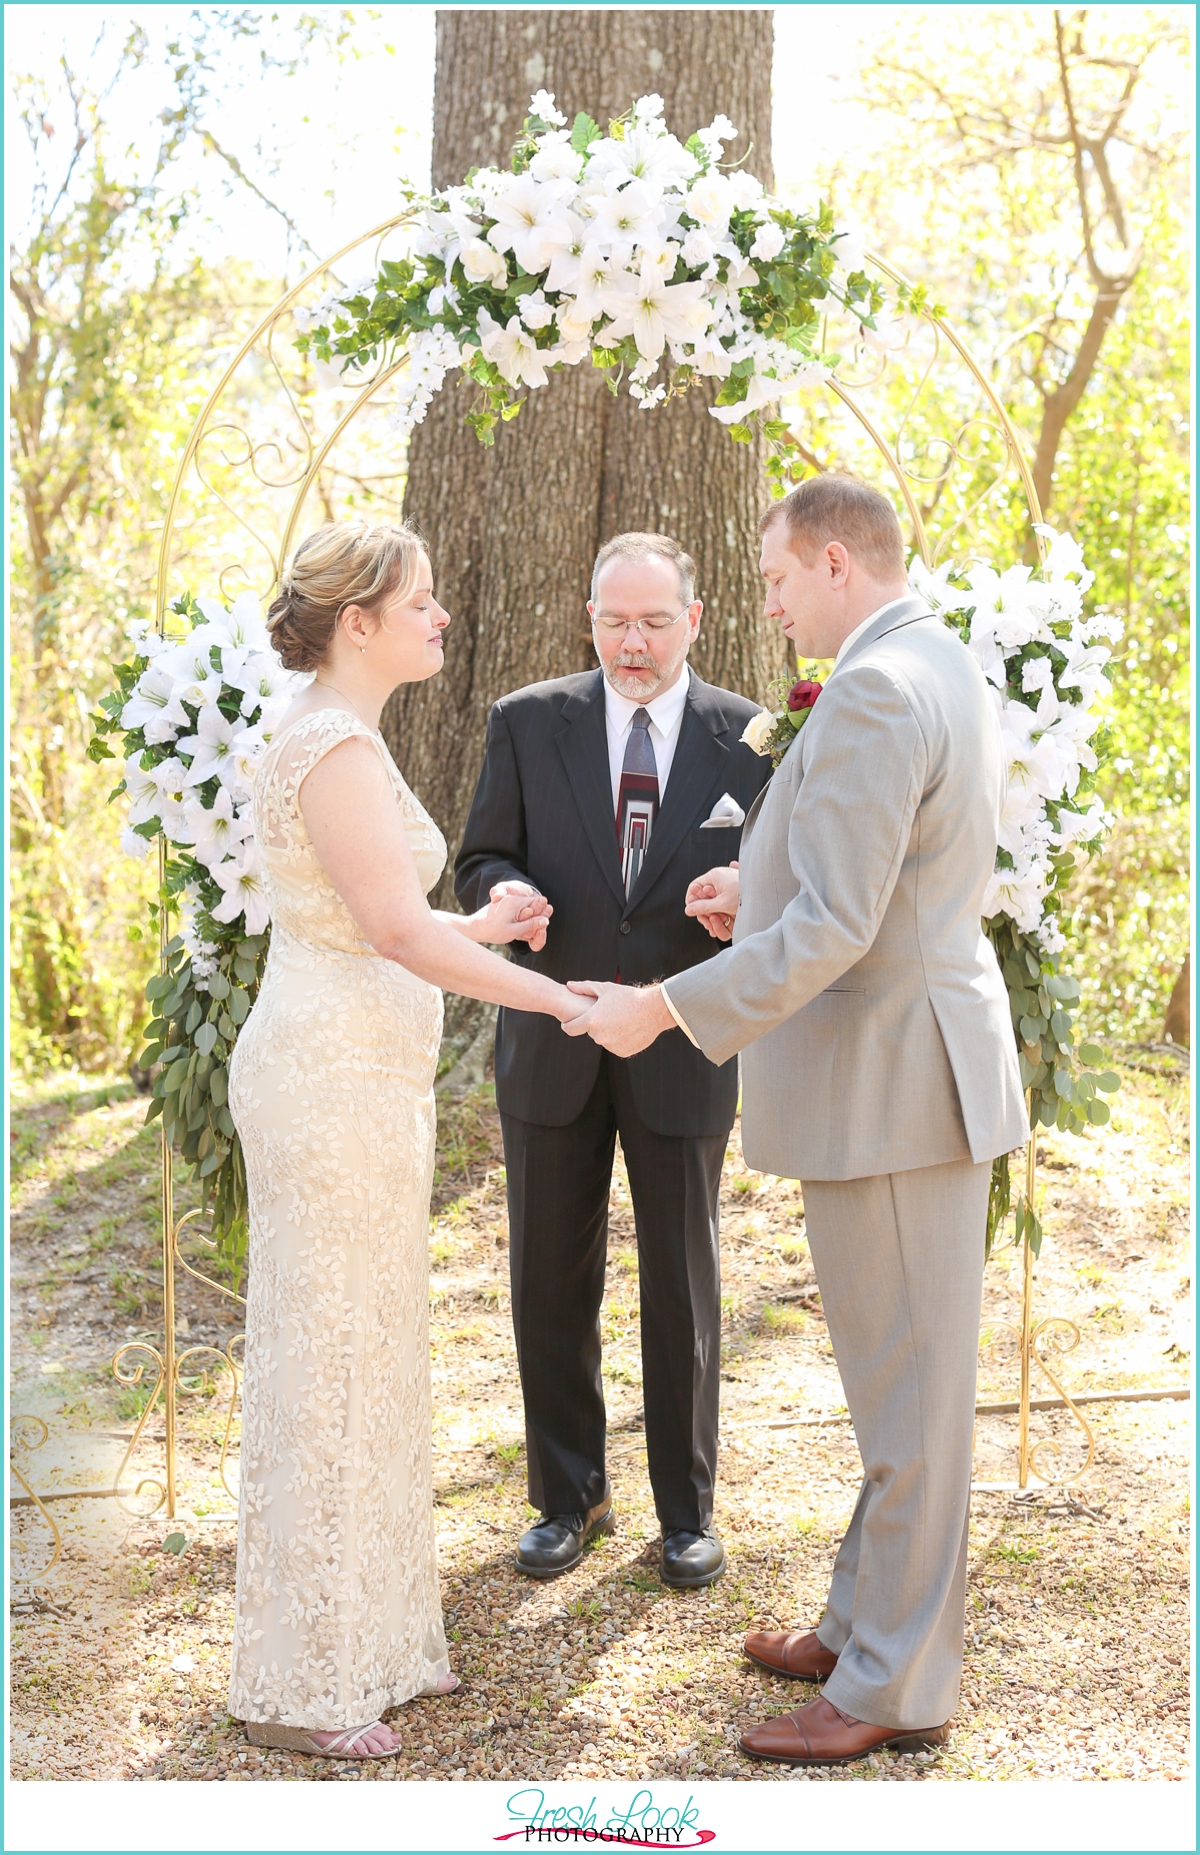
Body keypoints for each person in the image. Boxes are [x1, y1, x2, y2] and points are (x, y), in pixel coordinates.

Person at [566, 476, 1026, 1766]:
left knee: (915, 1403)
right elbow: (867, 883)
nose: (766, 606)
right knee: (896, 1388)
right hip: (900, 1072)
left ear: (834, 561)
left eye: (772, 581)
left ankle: (892, 1686)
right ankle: (860, 1622)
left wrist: (660, 1005)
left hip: (898, 1089)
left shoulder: (878, 687)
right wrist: (750, 888)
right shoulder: (932, 657)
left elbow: (838, 930)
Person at [227, 519, 586, 1761]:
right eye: (420, 601)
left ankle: (376, 1639)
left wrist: (483, 925)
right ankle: (303, 1678)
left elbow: (382, 911)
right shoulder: (327, 742)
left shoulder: (347, 736)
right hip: (325, 1085)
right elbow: (385, 930)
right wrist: (558, 997)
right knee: (327, 1355)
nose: (441, 618)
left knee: (372, 1347)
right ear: (358, 622)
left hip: (366, 1081)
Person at [454, 533, 772, 1587]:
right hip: (552, 1032)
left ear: (696, 618)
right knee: (548, 1275)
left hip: (683, 1035)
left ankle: (687, 1512)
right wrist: (506, 901)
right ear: (588, 617)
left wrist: (744, 906)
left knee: (682, 1278)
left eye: (652, 621)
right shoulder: (526, 720)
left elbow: (783, 876)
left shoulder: (754, 738)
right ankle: (567, 1496)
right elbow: (483, 854)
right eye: (612, 621)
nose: (631, 643)